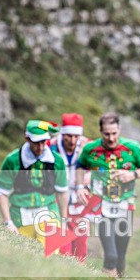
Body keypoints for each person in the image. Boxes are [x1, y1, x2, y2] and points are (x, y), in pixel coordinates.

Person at [75, 112, 140, 277]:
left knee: (121, 256)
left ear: (119, 129)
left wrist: (133, 175)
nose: (110, 138)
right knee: (111, 255)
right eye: (106, 134)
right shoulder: (90, 149)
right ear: (101, 131)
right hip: (101, 205)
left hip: (126, 204)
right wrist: (80, 186)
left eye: (114, 133)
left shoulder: (133, 148)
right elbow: (80, 166)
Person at [0, 120, 69, 246]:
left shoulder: (57, 161)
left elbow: (62, 193)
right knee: (22, 253)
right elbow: (2, 192)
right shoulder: (12, 160)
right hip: (20, 215)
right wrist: (8, 222)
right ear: (27, 139)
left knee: (50, 254)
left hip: (48, 212)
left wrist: (63, 220)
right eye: (36, 142)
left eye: (43, 142)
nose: (40, 147)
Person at [50, 112, 93, 261]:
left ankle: (79, 277)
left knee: (80, 247)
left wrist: (90, 177)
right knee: (62, 246)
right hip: (57, 201)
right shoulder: (51, 146)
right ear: (63, 133)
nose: (73, 140)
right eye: (69, 136)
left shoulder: (88, 146)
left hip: (80, 203)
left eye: (76, 137)